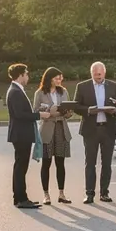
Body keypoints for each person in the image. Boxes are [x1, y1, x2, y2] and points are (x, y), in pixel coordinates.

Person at [73, 62, 116, 205]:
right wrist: (88, 110)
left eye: (100, 74)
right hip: (91, 129)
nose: (98, 76)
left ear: (104, 73)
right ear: (91, 74)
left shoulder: (113, 86)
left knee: (107, 163)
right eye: (95, 74)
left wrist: (115, 110)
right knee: (90, 163)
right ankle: (89, 193)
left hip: (108, 129)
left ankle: (104, 193)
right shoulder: (82, 86)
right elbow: (76, 106)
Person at [6, 63, 47, 209]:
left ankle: (20, 197)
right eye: (26, 74)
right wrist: (39, 115)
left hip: (21, 134)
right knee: (21, 167)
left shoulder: (17, 90)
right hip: (21, 134)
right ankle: (21, 199)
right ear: (21, 75)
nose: (28, 77)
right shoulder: (15, 91)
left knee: (21, 166)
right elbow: (20, 114)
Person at [32, 67, 73, 205]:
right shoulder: (40, 93)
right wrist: (49, 111)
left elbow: (69, 109)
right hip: (47, 129)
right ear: (49, 79)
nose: (59, 80)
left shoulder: (64, 91)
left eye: (61, 78)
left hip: (61, 128)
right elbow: (35, 111)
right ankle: (46, 194)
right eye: (57, 78)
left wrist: (68, 112)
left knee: (60, 163)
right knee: (46, 163)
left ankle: (61, 194)